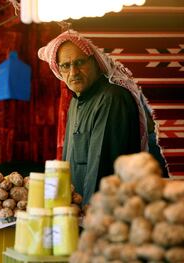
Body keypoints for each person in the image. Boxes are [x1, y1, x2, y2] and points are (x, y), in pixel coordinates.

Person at [38, 30, 167, 205]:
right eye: (65, 66)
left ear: (95, 62)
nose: (73, 71)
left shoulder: (111, 98)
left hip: (104, 214)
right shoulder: (76, 101)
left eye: (80, 62)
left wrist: (90, 217)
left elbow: (102, 171)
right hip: (78, 212)